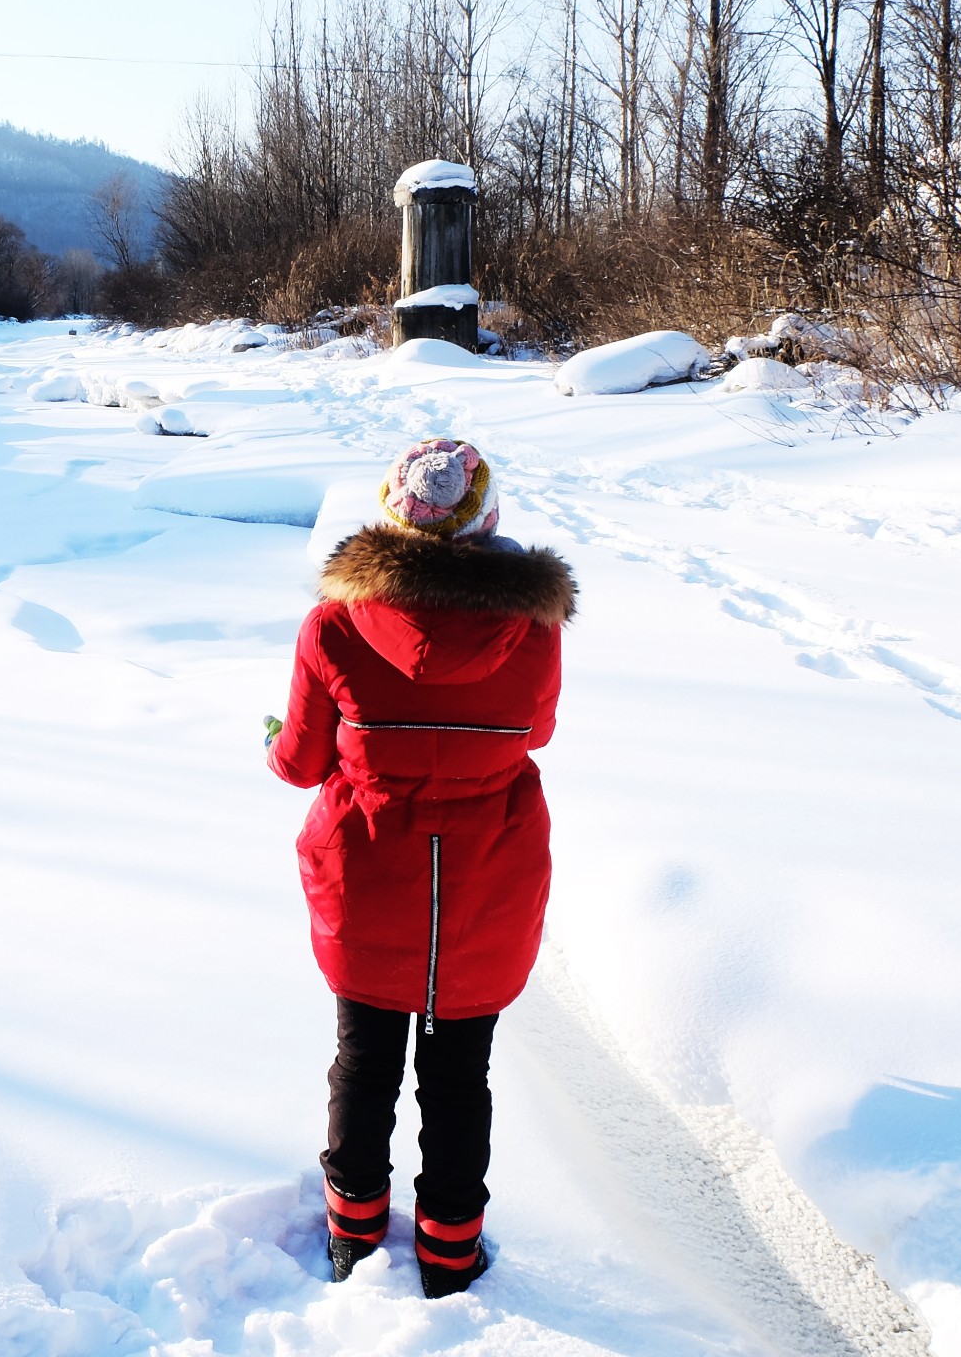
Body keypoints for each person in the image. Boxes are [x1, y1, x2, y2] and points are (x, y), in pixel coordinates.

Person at [265, 437, 576, 1296]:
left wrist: (277, 740)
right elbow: (534, 733)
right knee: (459, 1076)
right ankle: (447, 1256)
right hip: (486, 881)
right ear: (487, 523)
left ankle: (354, 1241)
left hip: (367, 877)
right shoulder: (532, 631)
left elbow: (297, 762)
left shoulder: (333, 623)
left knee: (363, 1067)